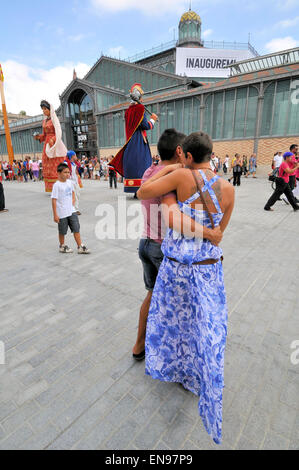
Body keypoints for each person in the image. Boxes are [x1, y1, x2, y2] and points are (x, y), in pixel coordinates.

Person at [137, 131, 235, 445]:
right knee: (203, 326)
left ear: (187, 156)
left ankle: (174, 369)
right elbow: (219, 232)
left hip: (177, 269)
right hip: (208, 270)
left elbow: (143, 192)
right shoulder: (230, 189)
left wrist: (168, 168)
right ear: (211, 153)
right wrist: (207, 232)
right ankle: (199, 378)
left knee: (175, 324)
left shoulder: (180, 175)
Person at [133, 129, 223, 361]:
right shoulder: (174, 178)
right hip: (164, 250)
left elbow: (142, 191)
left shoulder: (149, 171)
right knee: (175, 310)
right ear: (180, 151)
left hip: (145, 243)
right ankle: (172, 358)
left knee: (152, 296)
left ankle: (139, 345)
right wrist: (210, 233)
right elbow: (177, 219)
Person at [110, 83, 158, 196]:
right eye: (142, 97)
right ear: (139, 97)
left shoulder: (128, 111)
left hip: (131, 142)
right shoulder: (140, 108)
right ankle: (142, 190)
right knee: (143, 164)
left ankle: (136, 190)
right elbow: (145, 126)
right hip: (139, 142)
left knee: (135, 165)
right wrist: (153, 120)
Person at [51, 163, 90, 254]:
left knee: (76, 228)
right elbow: (53, 200)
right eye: (65, 172)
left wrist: (72, 201)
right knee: (62, 231)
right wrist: (55, 215)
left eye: (68, 172)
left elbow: (72, 192)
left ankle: (80, 246)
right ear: (59, 173)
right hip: (62, 213)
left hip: (72, 211)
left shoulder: (70, 182)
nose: (67, 174)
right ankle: (62, 246)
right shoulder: (57, 185)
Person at [34, 100, 67, 193]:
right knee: (47, 164)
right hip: (47, 145)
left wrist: (53, 139)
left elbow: (58, 132)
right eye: (42, 109)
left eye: (45, 109)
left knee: (55, 164)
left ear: (49, 109)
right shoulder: (44, 121)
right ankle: (52, 188)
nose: (44, 111)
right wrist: (38, 137)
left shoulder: (54, 119)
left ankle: (60, 185)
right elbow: (44, 135)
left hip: (54, 143)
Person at [65, 150, 81, 215]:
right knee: (72, 196)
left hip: (75, 181)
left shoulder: (74, 163)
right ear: (71, 156)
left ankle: (75, 208)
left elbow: (75, 172)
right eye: (75, 155)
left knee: (77, 195)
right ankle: (74, 209)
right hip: (69, 182)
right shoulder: (65, 163)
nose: (76, 156)